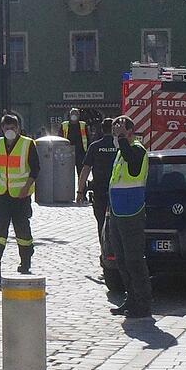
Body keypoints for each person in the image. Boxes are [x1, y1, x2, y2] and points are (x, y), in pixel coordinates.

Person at [106, 116, 150, 318]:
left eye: (122, 132)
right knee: (121, 261)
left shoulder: (137, 150)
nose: (118, 136)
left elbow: (133, 166)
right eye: (116, 132)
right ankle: (131, 299)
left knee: (134, 261)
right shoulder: (120, 153)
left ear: (131, 131)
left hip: (132, 211)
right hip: (117, 211)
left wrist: (123, 139)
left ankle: (142, 303)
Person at [0, 114, 39, 276]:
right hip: (1, 194)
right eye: (6, 128)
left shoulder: (28, 144)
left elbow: (35, 169)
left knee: (22, 230)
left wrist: (27, 187)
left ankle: (25, 261)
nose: (9, 130)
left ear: (18, 128)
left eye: (12, 128)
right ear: (2, 129)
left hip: (20, 195)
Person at [77, 118, 119, 240]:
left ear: (101, 129)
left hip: (99, 191)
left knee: (101, 222)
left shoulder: (95, 147)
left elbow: (85, 170)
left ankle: (104, 250)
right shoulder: (120, 146)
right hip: (118, 190)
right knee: (117, 224)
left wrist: (80, 191)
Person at [62, 108, 89, 178]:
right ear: (69, 115)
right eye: (72, 114)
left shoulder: (83, 125)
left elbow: (88, 138)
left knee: (81, 172)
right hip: (67, 152)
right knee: (67, 172)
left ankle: (82, 188)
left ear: (79, 116)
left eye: (76, 114)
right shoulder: (64, 125)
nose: (74, 115)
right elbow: (60, 138)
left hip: (80, 152)